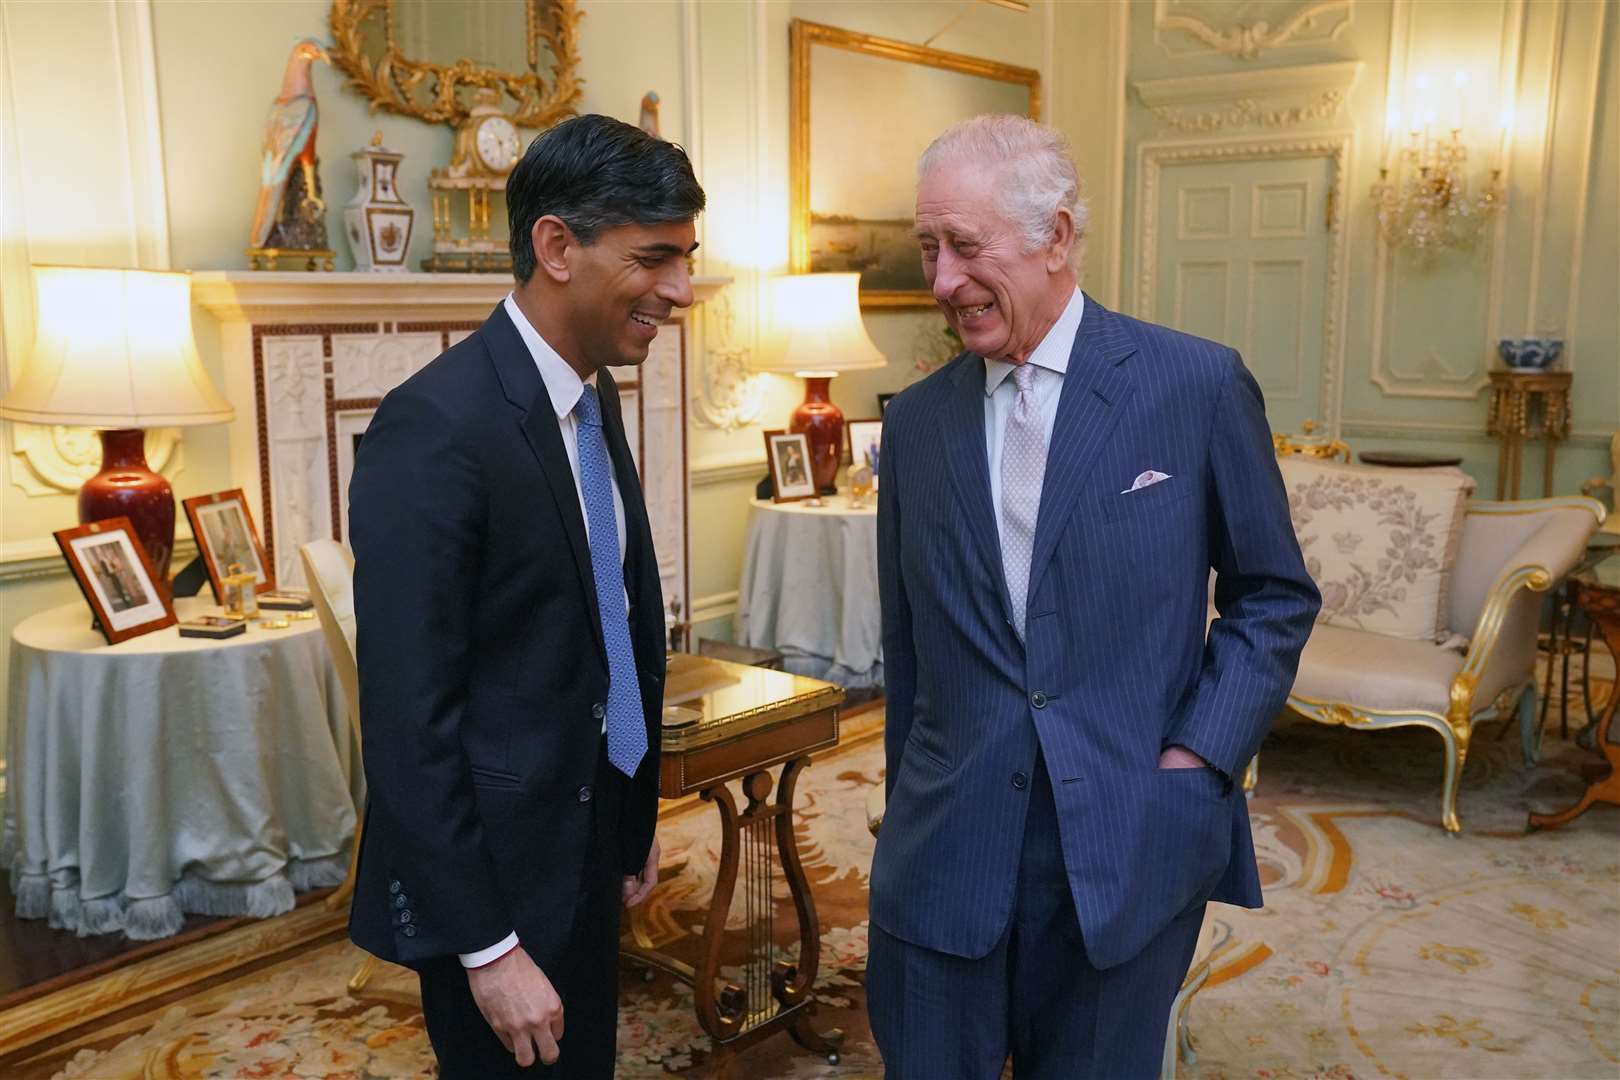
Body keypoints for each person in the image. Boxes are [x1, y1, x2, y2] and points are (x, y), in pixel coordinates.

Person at [868, 115, 1320, 1078]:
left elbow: (1273, 595)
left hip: (1128, 832)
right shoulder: (914, 425)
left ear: (1057, 237)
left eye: (965, 246)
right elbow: (909, 651)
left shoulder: (1193, 386)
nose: (941, 280)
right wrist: (909, 806)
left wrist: (1196, 761)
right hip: (945, 849)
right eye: (927, 248)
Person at [347, 114, 703, 1078]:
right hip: (492, 883)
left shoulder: (594, 394)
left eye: (686, 258)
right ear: (556, 246)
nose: (680, 288)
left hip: (584, 838)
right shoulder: (433, 428)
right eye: (656, 258)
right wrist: (487, 948)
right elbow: (407, 723)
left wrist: (628, 826)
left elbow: (606, 625)